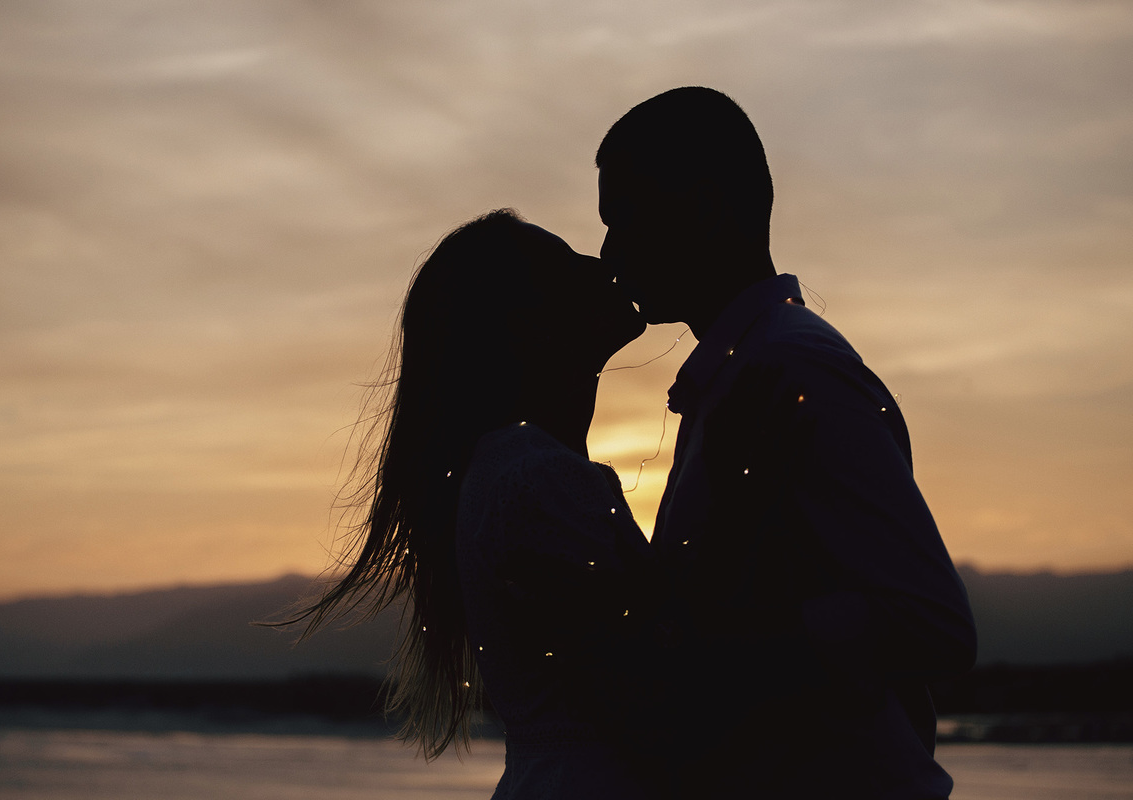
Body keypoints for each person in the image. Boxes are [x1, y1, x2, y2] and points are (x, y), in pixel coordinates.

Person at [595, 87, 977, 798]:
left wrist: (732, 645)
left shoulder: (792, 372)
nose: (610, 252)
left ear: (704, 209)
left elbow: (933, 622)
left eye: (625, 219)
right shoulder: (744, 375)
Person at [291, 209, 654, 798]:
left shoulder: (509, 472)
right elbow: (649, 689)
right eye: (567, 267)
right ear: (528, 325)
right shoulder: (536, 480)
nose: (601, 264)